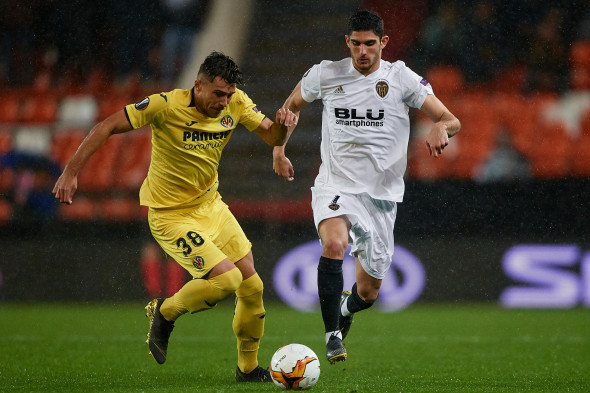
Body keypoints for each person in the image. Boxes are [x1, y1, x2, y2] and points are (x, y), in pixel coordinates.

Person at [53, 51, 297, 382]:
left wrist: (283, 131)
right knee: (226, 280)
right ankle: (165, 313)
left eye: (228, 95)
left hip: (211, 206)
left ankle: (248, 369)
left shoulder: (237, 103)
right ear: (198, 85)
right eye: (218, 94)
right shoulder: (165, 105)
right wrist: (71, 172)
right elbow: (108, 125)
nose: (225, 102)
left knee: (252, 286)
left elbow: (271, 136)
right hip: (171, 215)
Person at [272, 10, 460, 364]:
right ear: (347, 42)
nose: (362, 51)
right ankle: (331, 337)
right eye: (356, 43)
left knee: (369, 292)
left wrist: (440, 127)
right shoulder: (326, 74)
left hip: (382, 197)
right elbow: (290, 108)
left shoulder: (401, 77)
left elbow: (451, 119)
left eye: (370, 44)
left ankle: (346, 308)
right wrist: (279, 149)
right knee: (334, 243)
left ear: (383, 43)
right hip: (336, 185)